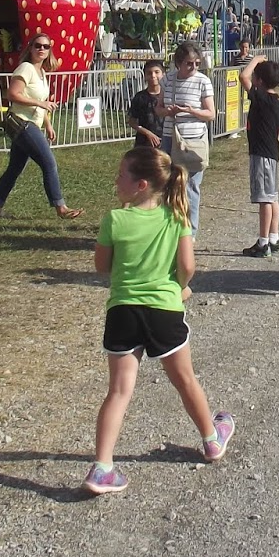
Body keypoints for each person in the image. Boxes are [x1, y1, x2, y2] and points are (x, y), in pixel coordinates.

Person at [83, 146, 235, 495]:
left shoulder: (114, 219)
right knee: (185, 380)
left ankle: (103, 466)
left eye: (121, 175)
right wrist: (180, 288)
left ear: (140, 185)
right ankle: (212, 439)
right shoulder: (176, 217)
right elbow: (188, 267)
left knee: (119, 391)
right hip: (164, 311)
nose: (115, 180)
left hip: (122, 311)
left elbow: (102, 267)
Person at [0, 33, 84, 221]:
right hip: (22, 123)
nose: (41, 49)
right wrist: (40, 105)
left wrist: (48, 124)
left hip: (33, 124)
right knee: (49, 163)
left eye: (46, 46)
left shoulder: (42, 73)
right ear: (30, 48)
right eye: (37, 45)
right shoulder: (26, 68)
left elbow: (41, 101)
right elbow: (13, 94)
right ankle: (61, 207)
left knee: (14, 168)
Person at [158, 43, 215, 237]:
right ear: (178, 63)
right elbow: (158, 108)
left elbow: (210, 113)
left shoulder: (203, 81)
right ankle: (171, 227)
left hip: (193, 138)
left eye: (197, 63)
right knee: (169, 183)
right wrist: (168, 111)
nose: (193, 68)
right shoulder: (168, 80)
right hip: (169, 135)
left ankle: (190, 232)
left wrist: (191, 111)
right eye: (189, 63)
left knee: (191, 185)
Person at [239, 54, 279, 259]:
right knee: (272, 196)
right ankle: (274, 237)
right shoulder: (278, 101)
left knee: (264, 198)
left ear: (259, 81)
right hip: (272, 152)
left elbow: (243, 77)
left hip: (262, 153)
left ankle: (263, 242)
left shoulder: (262, 97)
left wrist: (255, 59)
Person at [127, 60, 168, 151]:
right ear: (145, 76)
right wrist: (147, 133)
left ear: (163, 74)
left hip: (166, 140)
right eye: (149, 73)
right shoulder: (140, 97)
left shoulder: (168, 96)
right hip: (144, 142)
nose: (153, 76)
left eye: (157, 72)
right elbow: (132, 121)